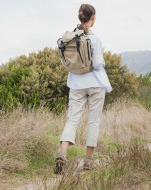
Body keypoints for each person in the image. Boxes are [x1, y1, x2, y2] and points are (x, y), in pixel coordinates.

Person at [54, 4, 112, 174]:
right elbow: (97, 63)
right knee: (93, 121)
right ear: (92, 18)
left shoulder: (70, 37)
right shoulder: (95, 39)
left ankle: (62, 153)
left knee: (72, 119)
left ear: (80, 18)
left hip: (76, 83)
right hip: (95, 84)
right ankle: (88, 161)